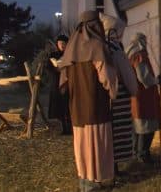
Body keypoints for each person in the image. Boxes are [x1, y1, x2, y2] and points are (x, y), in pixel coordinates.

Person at [59, 10, 118, 191]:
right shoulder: (96, 46)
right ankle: (96, 180)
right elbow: (106, 78)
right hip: (96, 106)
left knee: (82, 143)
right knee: (97, 143)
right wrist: (113, 92)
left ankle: (84, 180)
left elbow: (63, 83)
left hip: (77, 108)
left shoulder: (69, 49)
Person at [100, 12, 138, 174]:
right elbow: (126, 72)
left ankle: (109, 166)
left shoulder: (100, 47)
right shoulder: (114, 48)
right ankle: (113, 167)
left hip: (104, 96)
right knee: (117, 132)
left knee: (109, 133)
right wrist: (133, 88)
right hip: (118, 94)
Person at [125, 32, 161, 164]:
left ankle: (136, 153)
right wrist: (156, 80)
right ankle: (142, 154)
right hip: (143, 97)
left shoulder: (129, 55)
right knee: (145, 127)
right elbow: (143, 77)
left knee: (137, 127)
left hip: (135, 95)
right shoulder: (139, 56)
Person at [47, 34, 72, 135]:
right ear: (57, 44)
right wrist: (55, 69)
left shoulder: (70, 55)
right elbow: (48, 68)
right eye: (60, 43)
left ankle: (69, 128)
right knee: (58, 107)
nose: (62, 45)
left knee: (68, 106)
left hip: (67, 83)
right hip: (56, 83)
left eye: (64, 43)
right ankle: (61, 128)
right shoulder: (53, 55)